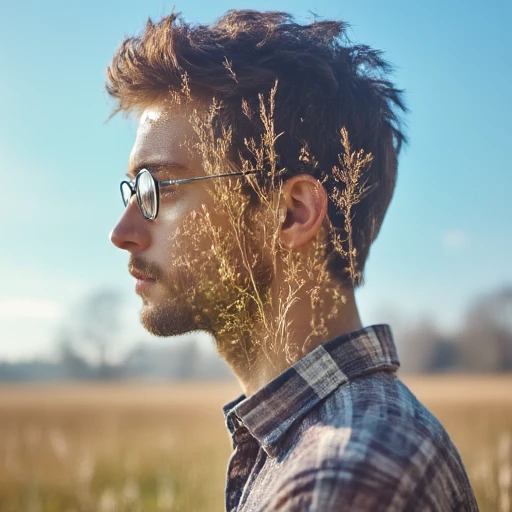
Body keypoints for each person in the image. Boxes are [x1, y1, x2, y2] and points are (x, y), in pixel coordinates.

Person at [107, 10, 478, 511]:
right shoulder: (330, 445)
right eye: (133, 190)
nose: (122, 232)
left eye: (158, 188)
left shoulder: (340, 481)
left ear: (293, 213)